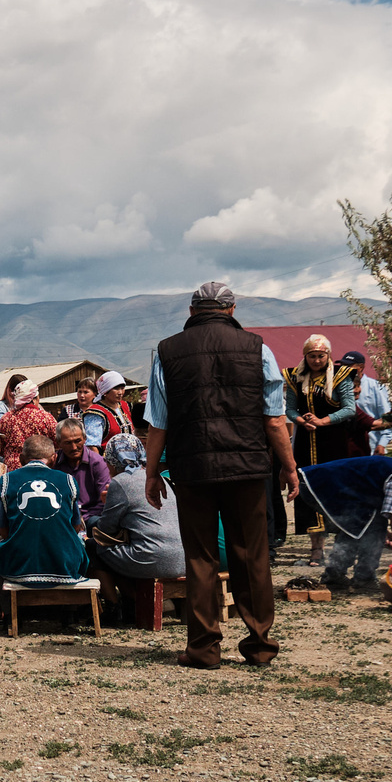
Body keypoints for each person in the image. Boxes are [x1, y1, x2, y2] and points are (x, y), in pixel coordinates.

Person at [140, 281, 294, 668]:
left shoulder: (167, 350)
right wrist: (289, 466)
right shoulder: (259, 348)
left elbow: (158, 421)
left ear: (192, 311)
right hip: (246, 470)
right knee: (252, 556)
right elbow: (275, 419)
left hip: (193, 469)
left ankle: (204, 648)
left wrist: (151, 471)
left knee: (201, 558)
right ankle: (259, 645)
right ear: (232, 308)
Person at [285, 335, 364, 563]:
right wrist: (300, 420)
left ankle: (342, 550)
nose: (316, 360)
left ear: (328, 355)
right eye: (312, 356)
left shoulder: (342, 377)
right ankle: (316, 549)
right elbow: (290, 408)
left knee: (336, 493)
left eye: (321, 356)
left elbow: (349, 409)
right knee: (308, 492)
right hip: (305, 444)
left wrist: (323, 421)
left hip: (334, 443)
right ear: (305, 356)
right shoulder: (295, 377)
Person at [300, 453, 392, 597]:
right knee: (366, 525)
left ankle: (336, 574)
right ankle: (363, 578)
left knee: (360, 526)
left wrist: (385, 534)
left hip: (322, 484)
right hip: (320, 484)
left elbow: (380, 514)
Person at [86, 434, 183, 597]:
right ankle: (134, 601)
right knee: (122, 548)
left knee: (93, 545)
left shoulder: (121, 482)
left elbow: (105, 530)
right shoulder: (160, 479)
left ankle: (115, 604)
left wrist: (105, 506)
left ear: (111, 460)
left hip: (153, 560)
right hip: (181, 560)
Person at [0, 435, 92, 589]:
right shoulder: (68, 480)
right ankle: (74, 610)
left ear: (21, 458)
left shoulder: (6, 481)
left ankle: (3, 610)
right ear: (53, 458)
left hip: (18, 568)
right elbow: (75, 527)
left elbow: (4, 532)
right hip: (64, 567)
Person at [53, 417, 111, 524]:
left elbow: (104, 501)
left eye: (77, 441)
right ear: (58, 443)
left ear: (85, 438)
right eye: (68, 443)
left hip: (90, 516)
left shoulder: (97, 462)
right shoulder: (54, 463)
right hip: (62, 518)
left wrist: (83, 520)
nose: (74, 447)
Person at [343, 351, 392, 453]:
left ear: (361, 367)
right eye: (343, 366)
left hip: (371, 447)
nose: (344, 369)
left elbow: (384, 415)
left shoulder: (376, 387)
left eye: (348, 366)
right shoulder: (339, 389)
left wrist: (382, 444)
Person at [0, 378, 59, 457]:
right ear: (33, 399)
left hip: (13, 467)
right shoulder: (46, 417)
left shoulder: (6, 419)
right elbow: (58, 441)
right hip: (41, 464)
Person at [79, 371, 134, 452]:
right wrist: (99, 464)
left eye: (122, 388)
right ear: (105, 391)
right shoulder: (95, 413)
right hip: (106, 462)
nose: (120, 392)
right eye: (116, 389)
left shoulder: (125, 406)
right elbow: (92, 446)